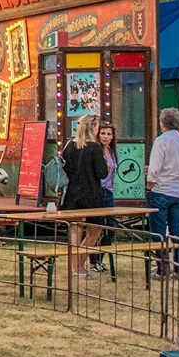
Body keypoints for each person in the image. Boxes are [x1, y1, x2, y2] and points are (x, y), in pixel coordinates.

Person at [58, 114, 111, 278]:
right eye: (98, 127)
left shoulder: (69, 145)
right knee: (94, 231)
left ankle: (75, 268)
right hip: (91, 195)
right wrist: (106, 166)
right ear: (93, 127)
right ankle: (79, 266)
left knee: (75, 231)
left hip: (71, 194)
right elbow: (102, 173)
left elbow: (65, 169)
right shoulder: (94, 148)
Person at [145, 107, 179, 278]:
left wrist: (149, 186)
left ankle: (162, 268)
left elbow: (154, 169)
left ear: (162, 123)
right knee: (176, 230)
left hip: (161, 190)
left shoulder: (161, 141)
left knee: (158, 233)